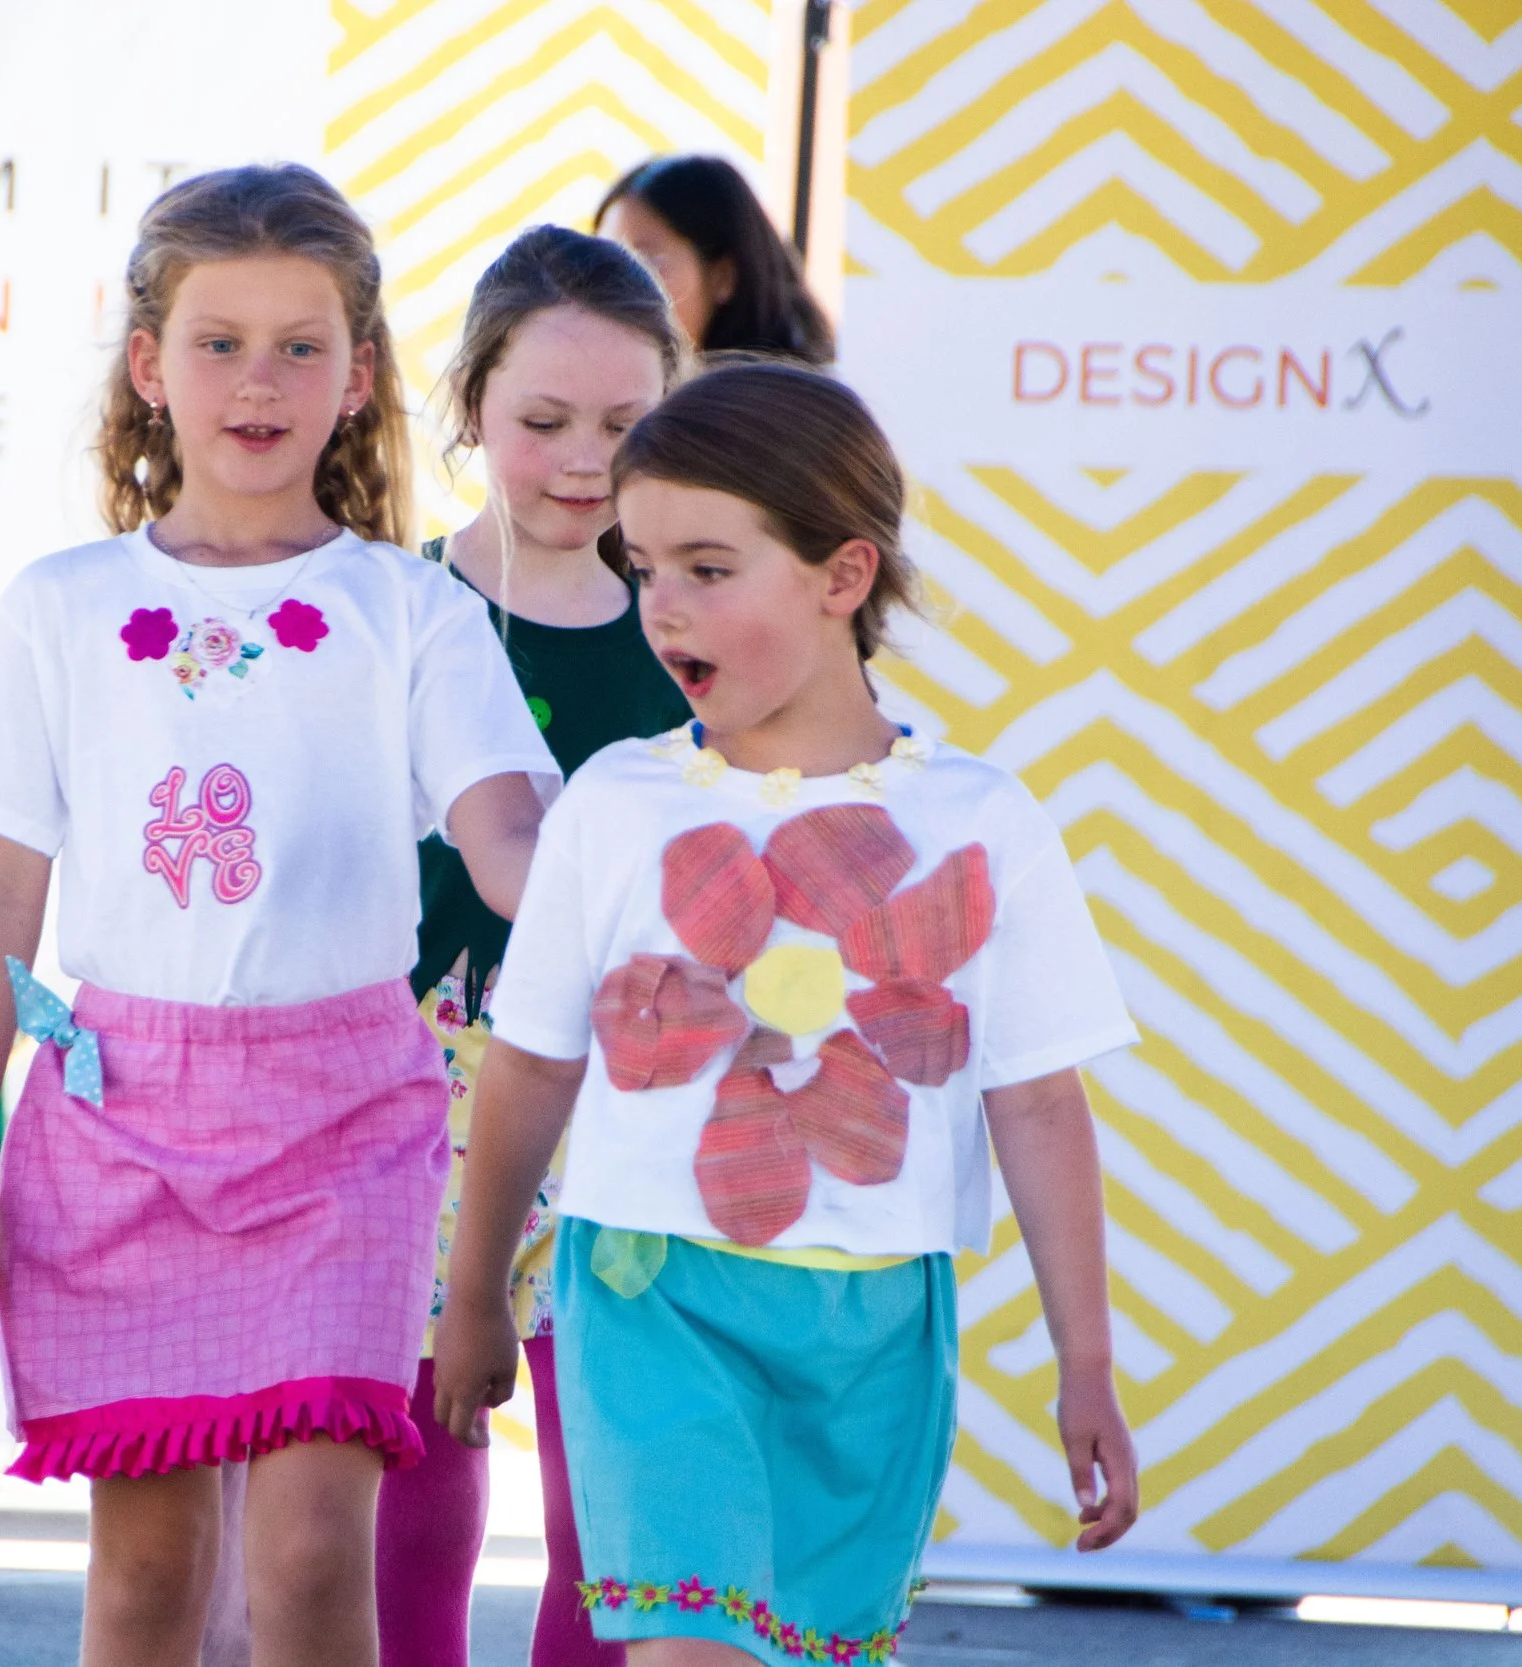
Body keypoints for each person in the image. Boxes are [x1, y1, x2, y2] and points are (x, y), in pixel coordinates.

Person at [0, 163, 558, 1667]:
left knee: (319, 1555)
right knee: (143, 1576)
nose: (257, 381)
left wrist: (640, 878)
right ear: (149, 366)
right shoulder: (64, 607)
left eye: (299, 344)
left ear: (360, 374)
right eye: (217, 342)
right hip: (111, 1119)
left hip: (348, 1118)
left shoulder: (416, 610)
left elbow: (507, 834)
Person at [435, 362, 1142, 1664]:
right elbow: (531, 1067)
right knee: (690, 1649)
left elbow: (1038, 1099)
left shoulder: (980, 819)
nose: (663, 607)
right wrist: (474, 1290)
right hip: (651, 1297)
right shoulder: (613, 802)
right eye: (643, 568)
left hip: (882, 1329)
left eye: (709, 566)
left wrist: (1083, 1360)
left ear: (843, 575)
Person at [380, 226, 688, 1667]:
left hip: (634, 1106)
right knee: (417, 1469)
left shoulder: (702, 635)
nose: (581, 459)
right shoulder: (389, 610)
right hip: (406, 1096)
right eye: (542, 422)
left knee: (605, 1506)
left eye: (624, 427)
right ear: (472, 412)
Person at [593, 156, 834, 364]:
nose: (615, 283)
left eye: (645, 261)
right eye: (605, 261)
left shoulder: (780, 410)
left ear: (723, 276)